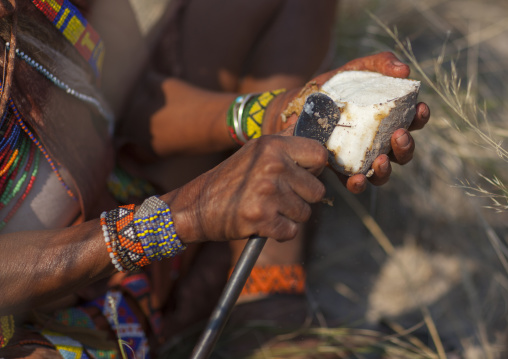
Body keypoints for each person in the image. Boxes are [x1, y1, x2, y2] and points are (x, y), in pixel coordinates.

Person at [0, 0, 430, 357]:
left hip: (119, 196)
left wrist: (276, 112)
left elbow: (131, 99)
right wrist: (185, 213)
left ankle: (263, 296)